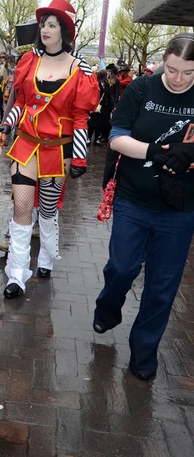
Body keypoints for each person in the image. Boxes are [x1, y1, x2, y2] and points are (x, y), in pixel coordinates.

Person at [94, 32, 194, 381]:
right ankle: (108, 306)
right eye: (172, 69)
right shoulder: (141, 89)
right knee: (122, 268)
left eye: (188, 73)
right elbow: (117, 137)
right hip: (134, 199)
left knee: (162, 287)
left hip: (179, 210)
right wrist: (152, 151)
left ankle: (144, 352)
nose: (179, 79)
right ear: (163, 61)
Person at [0, 0, 99, 299]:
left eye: (53, 25)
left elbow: (80, 119)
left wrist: (80, 157)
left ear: (65, 30)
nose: (45, 29)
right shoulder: (29, 62)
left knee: (48, 209)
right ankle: (16, 273)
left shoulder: (81, 71)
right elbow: (21, 103)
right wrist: (7, 125)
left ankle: (45, 258)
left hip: (58, 151)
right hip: (27, 146)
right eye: (44, 24)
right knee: (21, 207)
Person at [87, 70, 114, 145]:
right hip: (96, 105)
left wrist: (112, 106)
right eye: (105, 75)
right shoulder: (95, 83)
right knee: (92, 123)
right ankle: (88, 137)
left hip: (104, 107)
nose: (107, 76)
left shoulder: (106, 84)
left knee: (100, 124)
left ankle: (96, 139)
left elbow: (109, 96)